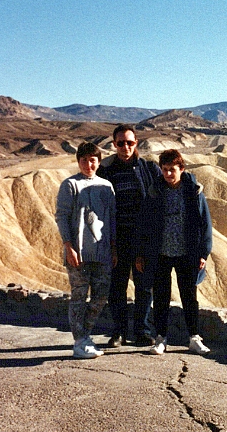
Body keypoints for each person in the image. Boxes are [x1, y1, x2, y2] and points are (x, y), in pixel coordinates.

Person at [138, 149, 213, 356]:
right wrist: (142, 253)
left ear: (182, 169)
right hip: (160, 252)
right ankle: (161, 338)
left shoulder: (193, 191)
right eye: (165, 169)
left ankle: (194, 338)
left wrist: (203, 253)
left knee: (189, 297)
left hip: (187, 252)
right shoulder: (155, 192)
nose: (168, 174)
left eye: (172, 169)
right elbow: (145, 224)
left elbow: (205, 223)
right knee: (161, 297)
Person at [97, 124, 161, 347]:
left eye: (130, 143)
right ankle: (119, 332)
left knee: (143, 286)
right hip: (117, 237)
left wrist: (194, 187)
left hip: (143, 238)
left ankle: (142, 331)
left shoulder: (149, 169)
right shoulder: (106, 171)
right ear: (114, 144)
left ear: (136, 143)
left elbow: (169, 188)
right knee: (117, 286)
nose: (126, 147)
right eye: (121, 143)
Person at [56, 142, 116, 359]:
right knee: (79, 298)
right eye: (84, 160)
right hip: (78, 253)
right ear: (78, 161)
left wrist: (113, 248)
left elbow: (111, 219)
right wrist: (69, 247)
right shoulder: (70, 185)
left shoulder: (106, 186)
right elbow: (62, 216)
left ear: (99, 162)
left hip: (102, 252)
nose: (88, 165)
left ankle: (85, 336)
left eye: (93, 160)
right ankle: (79, 341)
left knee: (101, 297)